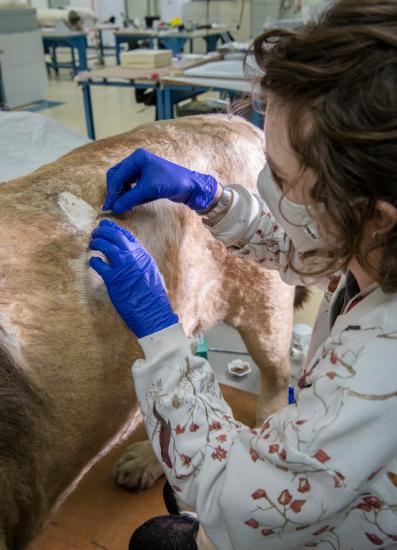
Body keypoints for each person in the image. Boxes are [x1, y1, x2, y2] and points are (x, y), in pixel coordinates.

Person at [89, 0, 397, 547]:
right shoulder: (376, 246)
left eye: (279, 176)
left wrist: (162, 340)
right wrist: (210, 198)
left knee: (157, 538)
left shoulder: (383, 365)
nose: (266, 187)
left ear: (372, 215)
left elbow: (245, 503)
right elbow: (314, 244)